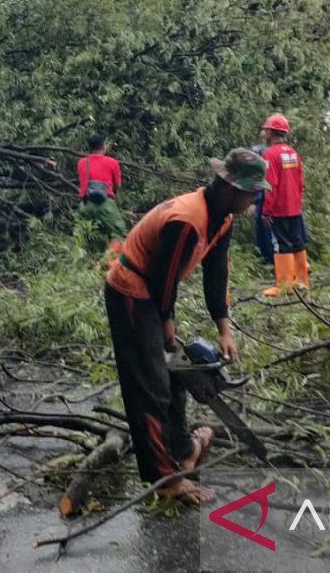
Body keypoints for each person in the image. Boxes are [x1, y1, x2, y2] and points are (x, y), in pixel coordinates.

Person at [104, 149, 268, 504]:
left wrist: (224, 327)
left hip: (154, 292)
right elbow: (164, 278)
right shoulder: (187, 219)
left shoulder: (221, 217)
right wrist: (166, 320)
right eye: (251, 192)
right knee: (148, 386)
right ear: (229, 186)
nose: (255, 198)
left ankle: (181, 450)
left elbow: (216, 273)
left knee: (174, 376)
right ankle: (164, 481)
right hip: (132, 291)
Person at [259, 114, 308, 297]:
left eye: (266, 129)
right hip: (295, 207)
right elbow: (300, 182)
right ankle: (302, 282)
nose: (264, 132)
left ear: (271, 132)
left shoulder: (270, 154)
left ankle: (285, 285)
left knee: (281, 245)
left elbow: (270, 185)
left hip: (279, 209)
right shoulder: (293, 153)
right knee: (297, 242)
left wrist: (266, 210)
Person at [76, 134, 125, 246]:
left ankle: (80, 259)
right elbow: (118, 185)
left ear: (89, 148)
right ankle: (111, 262)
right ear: (103, 146)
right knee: (117, 232)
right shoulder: (112, 163)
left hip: (86, 205)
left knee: (82, 235)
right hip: (105, 203)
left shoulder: (82, 163)